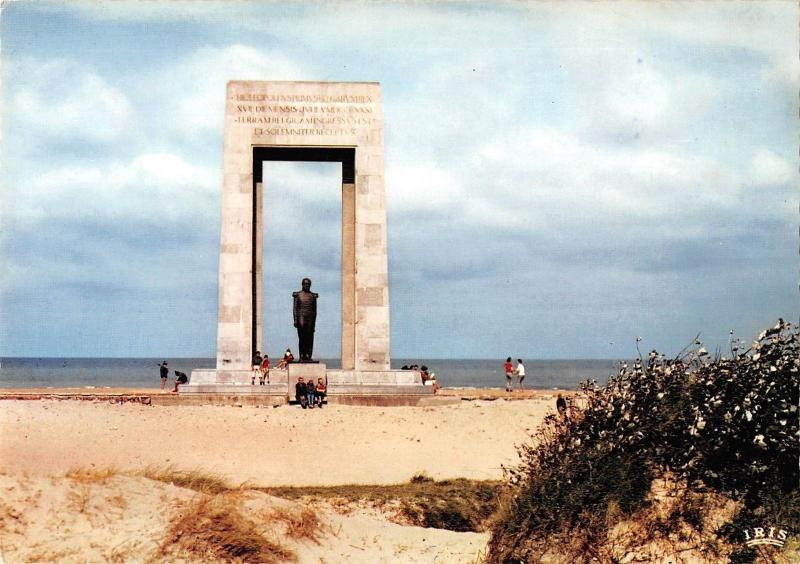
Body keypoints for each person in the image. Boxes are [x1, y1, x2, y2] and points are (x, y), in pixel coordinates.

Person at [293, 278, 318, 362]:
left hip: (310, 317)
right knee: (302, 337)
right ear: (302, 285)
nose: (306, 286)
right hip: (301, 316)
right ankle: (301, 356)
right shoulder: (298, 295)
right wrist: (295, 320)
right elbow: (295, 308)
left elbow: (315, 310)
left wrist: (314, 322)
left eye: (308, 284)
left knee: (310, 337)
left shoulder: (313, 296)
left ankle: (308, 356)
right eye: (305, 284)